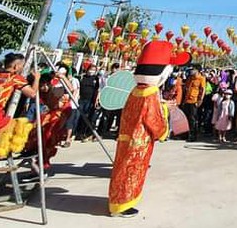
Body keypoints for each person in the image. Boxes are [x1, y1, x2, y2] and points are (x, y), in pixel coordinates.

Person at [108, 41, 171, 218]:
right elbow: (153, 120)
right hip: (139, 142)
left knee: (120, 169)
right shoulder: (150, 93)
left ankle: (115, 200)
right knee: (132, 173)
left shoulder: (135, 90)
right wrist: (163, 131)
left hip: (126, 137)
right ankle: (122, 205)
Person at [182, 66, 206, 142]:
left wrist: (200, 101)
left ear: (197, 70)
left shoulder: (201, 78)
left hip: (194, 101)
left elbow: (202, 90)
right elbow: (186, 88)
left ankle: (193, 135)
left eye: (193, 69)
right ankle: (185, 134)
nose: (191, 70)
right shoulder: (190, 78)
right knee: (186, 118)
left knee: (193, 119)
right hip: (187, 100)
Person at [77, 64, 100, 141]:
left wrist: (96, 100)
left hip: (90, 100)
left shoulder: (96, 79)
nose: (92, 71)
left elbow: (97, 90)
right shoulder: (82, 77)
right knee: (79, 116)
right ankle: (77, 132)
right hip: (81, 99)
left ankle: (83, 132)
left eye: (94, 70)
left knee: (86, 117)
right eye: (91, 69)